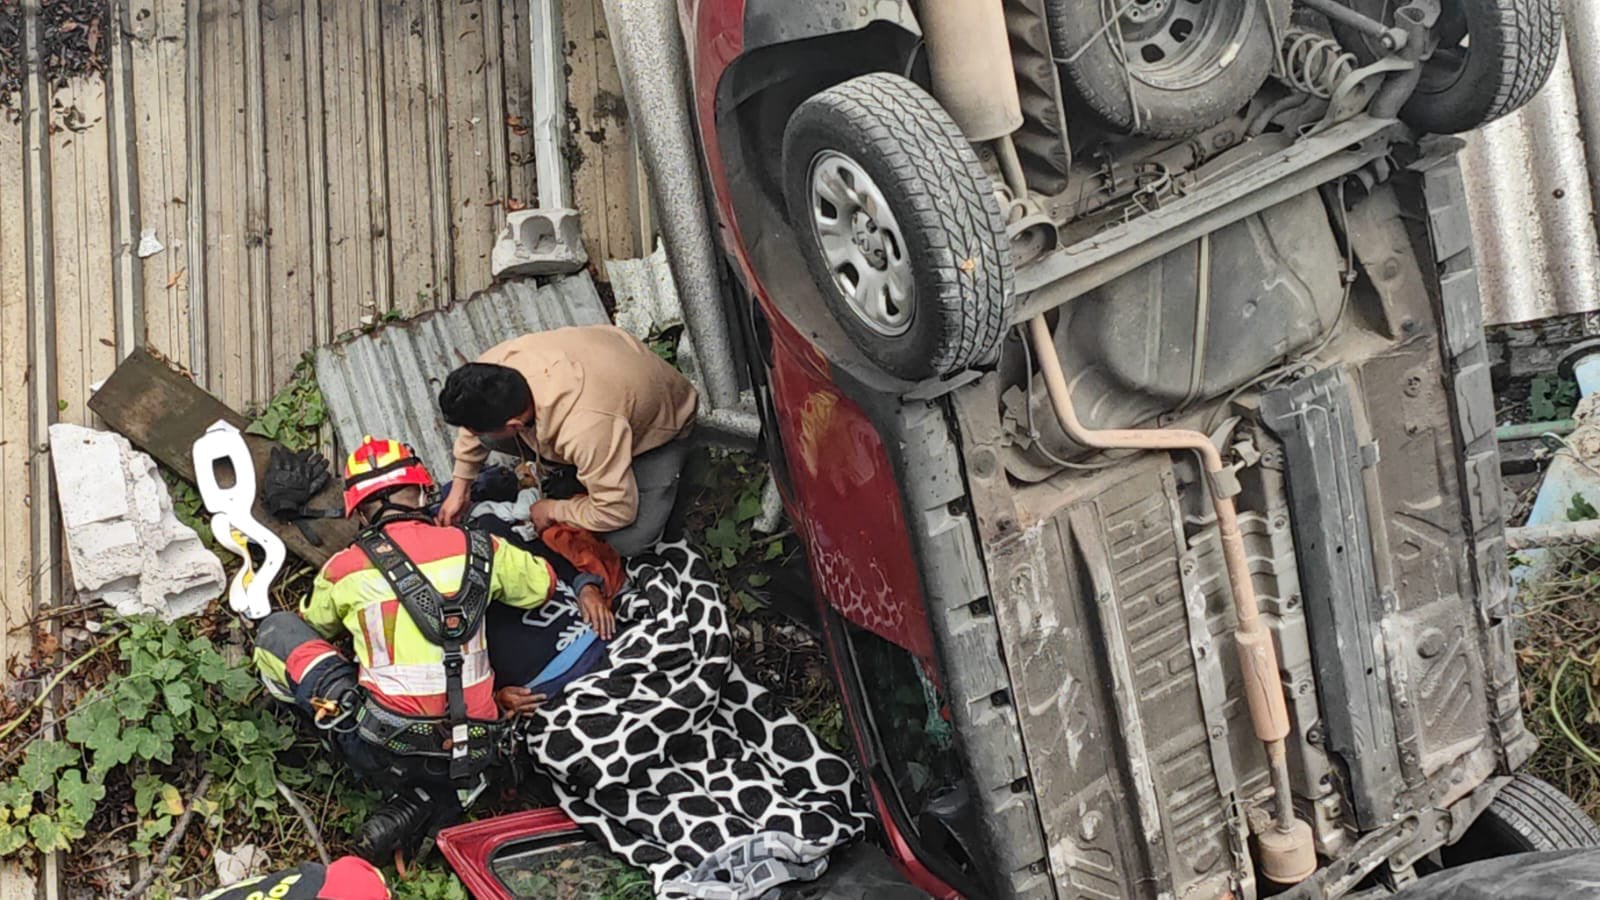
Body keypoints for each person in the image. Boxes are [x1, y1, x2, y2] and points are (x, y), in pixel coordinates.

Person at [251, 437, 610, 862]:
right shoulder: (482, 548)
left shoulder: (344, 568)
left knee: (278, 631)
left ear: (360, 510)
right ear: (423, 492)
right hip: (477, 747)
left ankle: (304, 725)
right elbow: (541, 586)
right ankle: (446, 794)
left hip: (385, 748)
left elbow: (316, 622)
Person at [435, 325, 698, 556]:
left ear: (514, 424)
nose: (470, 433)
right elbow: (472, 430)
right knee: (488, 441)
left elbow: (618, 510)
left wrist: (552, 510)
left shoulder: (585, 429)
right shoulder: (496, 367)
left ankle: (674, 474)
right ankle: (586, 474)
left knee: (629, 542)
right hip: (611, 373)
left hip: (662, 427)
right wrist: (461, 487)